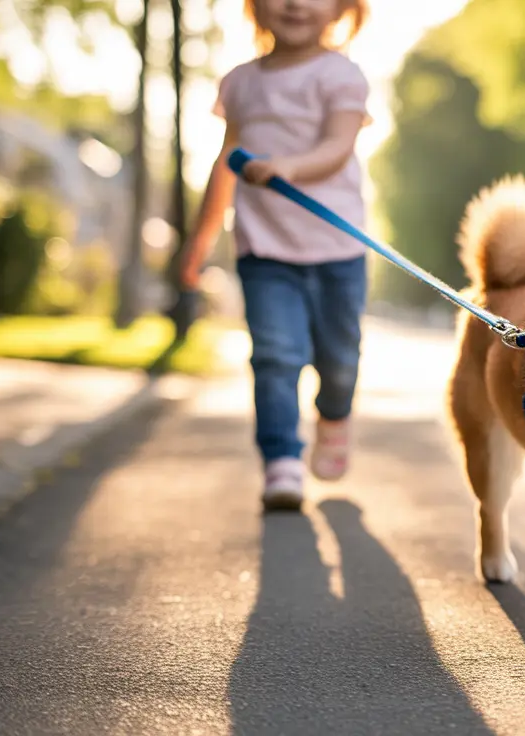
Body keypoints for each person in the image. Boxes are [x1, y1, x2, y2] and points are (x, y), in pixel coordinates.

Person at [180, 0, 373, 510]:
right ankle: (281, 459)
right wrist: (200, 239)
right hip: (264, 250)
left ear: (340, 8)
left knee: (339, 360)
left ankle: (334, 416)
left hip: (338, 251)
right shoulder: (240, 83)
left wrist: (288, 166)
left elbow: (337, 148)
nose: (294, 3)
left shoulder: (341, 75)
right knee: (274, 355)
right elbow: (224, 164)